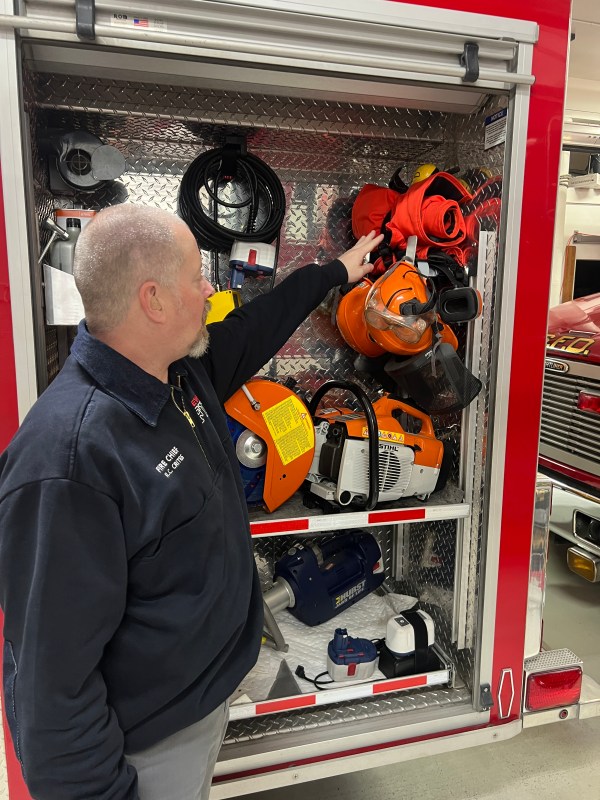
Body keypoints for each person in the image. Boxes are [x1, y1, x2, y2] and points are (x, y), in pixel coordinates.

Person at [0, 204, 383, 800]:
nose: (210, 289)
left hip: (201, 708)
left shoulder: (176, 374)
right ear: (152, 299)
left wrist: (332, 272)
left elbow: (257, 324)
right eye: (194, 276)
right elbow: (53, 688)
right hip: (146, 750)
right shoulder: (70, 462)